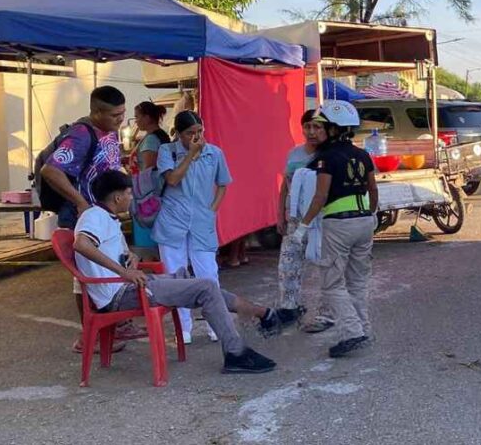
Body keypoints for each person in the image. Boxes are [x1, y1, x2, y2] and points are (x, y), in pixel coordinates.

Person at [74, 171, 280, 374]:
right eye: (129, 193)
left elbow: (113, 251)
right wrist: (123, 272)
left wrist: (131, 257)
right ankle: (236, 351)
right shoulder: (94, 216)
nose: (131, 198)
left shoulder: (108, 218)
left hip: (131, 286)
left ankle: (260, 314)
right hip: (121, 294)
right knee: (206, 287)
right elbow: (81, 244)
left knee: (191, 280)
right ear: (117, 197)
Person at [39, 85, 129, 354]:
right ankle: (90, 334)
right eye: (115, 115)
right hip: (85, 217)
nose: (120, 120)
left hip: (104, 215)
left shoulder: (110, 131)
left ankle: (114, 325)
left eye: (123, 114)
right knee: (85, 276)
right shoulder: (80, 135)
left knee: (112, 265)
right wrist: (80, 202)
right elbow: (50, 170)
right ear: (97, 112)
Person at [296, 100, 379, 358]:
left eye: (322, 127)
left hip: (339, 224)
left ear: (334, 129)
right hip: (364, 221)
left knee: (332, 284)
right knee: (357, 281)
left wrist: (303, 226)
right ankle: (363, 329)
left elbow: (320, 197)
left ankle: (353, 333)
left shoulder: (326, 158)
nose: (317, 131)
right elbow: (373, 190)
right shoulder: (363, 154)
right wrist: (372, 215)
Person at [152, 111, 232, 344]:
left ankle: (214, 324)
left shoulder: (214, 153)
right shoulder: (167, 152)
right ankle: (183, 328)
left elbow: (223, 184)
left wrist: (212, 209)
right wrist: (190, 155)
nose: (196, 137)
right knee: (176, 276)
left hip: (202, 223)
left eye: (200, 132)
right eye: (190, 133)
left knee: (208, 273)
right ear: (178, 134)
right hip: (172, 221)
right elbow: (173, 180)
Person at [276, 109, 331, 331]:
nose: (311, 132)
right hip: (295, 220)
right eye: (308, 126)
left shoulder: (330, 156)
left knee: (325, 266)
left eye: (317, 127)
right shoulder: (294, 154)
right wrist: (280, 213)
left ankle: (326, 312)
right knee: (288, 265)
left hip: (321, 220)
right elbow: (285, 185)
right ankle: (289, 308)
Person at [131, 101, 170, 250]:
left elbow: (148, 169)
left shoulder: (151, 140)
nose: (136, 121)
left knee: (148, 234)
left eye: (137, 117)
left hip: (147, 194)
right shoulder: (157, 136)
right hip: (153, 193)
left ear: (147, 118)